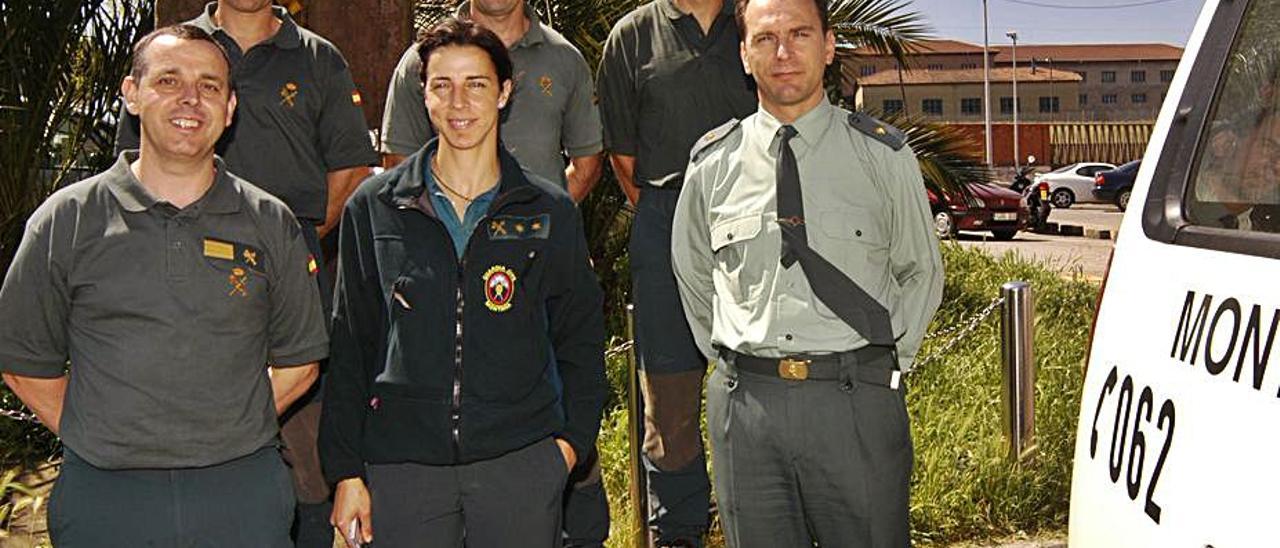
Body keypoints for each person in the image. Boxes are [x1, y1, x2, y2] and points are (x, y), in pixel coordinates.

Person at [0, 25, 328, 546]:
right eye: (169, 80)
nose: (190, 99)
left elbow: (300, 361)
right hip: (106, 496)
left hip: (241, 492)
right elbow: (23, 362)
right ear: (132, 94)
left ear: (230, 107)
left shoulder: (271, 221)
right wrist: (102, 433)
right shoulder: (67, 219)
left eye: (210, 85)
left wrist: (230, 425)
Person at [318, 18, 607, 548]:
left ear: (504, 93)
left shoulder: (548, 211)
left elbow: (581, 341)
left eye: (476, 84)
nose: (459, 103)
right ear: (422, 96)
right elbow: (351, 345)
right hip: (404, 469)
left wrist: (565, 449)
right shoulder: (375, 207)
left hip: (519, 463)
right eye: (441, 86)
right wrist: (346, 472)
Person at [671, 0, 944, 545]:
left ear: (828, 46)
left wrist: (883, 366)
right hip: (748, 411)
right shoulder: (712, 164)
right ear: (744, 55)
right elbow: (694, 275)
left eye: (799, 34)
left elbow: (921, 271)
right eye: (765, 38)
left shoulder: (882, 157)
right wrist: (737, 360)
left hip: (854, 403)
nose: (784, 52)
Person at [113, 2, 379, 545]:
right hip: (180, 279)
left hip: (293, 274)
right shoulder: (175, 52)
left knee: (305, 451)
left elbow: (350, 166)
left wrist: (273, 249)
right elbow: (135, 168)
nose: (192, 95)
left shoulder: (317, 59)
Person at [596, 0, 756, 544]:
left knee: (764, 386)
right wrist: (679, 218)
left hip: (758, 226)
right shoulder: (631, 36)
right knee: (669, 399)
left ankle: (758, 524)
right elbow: (621, 153)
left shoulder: (759, 22)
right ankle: (680, 530)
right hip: (663, 217)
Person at [380, 1, 604, 204]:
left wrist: (541, 220)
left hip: (539, 243)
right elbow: (399, 164)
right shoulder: (422, 60)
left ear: (505, 90)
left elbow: (587, 165)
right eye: (445, 85)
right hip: (445, 242)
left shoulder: (565, 60)